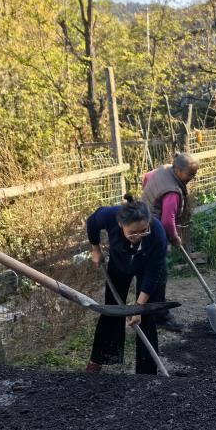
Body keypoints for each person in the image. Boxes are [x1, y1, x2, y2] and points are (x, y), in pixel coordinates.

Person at [86, 196, 167, 375]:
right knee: (111, 309)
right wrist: (96, 249)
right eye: (132, 232)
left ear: (148, 223)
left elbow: (153, 274)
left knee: (145, 316)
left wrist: (138, 307)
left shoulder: (157, 234)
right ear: (121, 224)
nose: (138, 236)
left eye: (143, 231)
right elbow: (91, 222)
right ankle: (99, 359)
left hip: (147, 266)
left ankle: (146, 372)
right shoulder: (109, 215)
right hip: (120, 261)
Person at [141, 152, 199, 331]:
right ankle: (161, 316)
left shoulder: (163, 170)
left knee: (151, 270)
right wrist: (174, 238)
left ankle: (149, 308)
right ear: (178, 170)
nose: (192, 178)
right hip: (154, 232)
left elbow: (146, 178)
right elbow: (167, 220)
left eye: (194, 174)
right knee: (160, 273)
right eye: (189, 174)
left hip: (143, 221)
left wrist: (149, 202)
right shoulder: (173, 191)